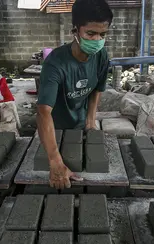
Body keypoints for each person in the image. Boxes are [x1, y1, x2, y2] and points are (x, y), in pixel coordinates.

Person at [36, 0, 113, 189]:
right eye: (90, 33)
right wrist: (55, 161)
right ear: (75, 30)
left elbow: (97, 89)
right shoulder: (55, 63)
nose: (97, 40)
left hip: (79, 126)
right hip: (54, 130)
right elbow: (43, 112)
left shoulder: (102, 56)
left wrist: (90, 121)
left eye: (102, 34)